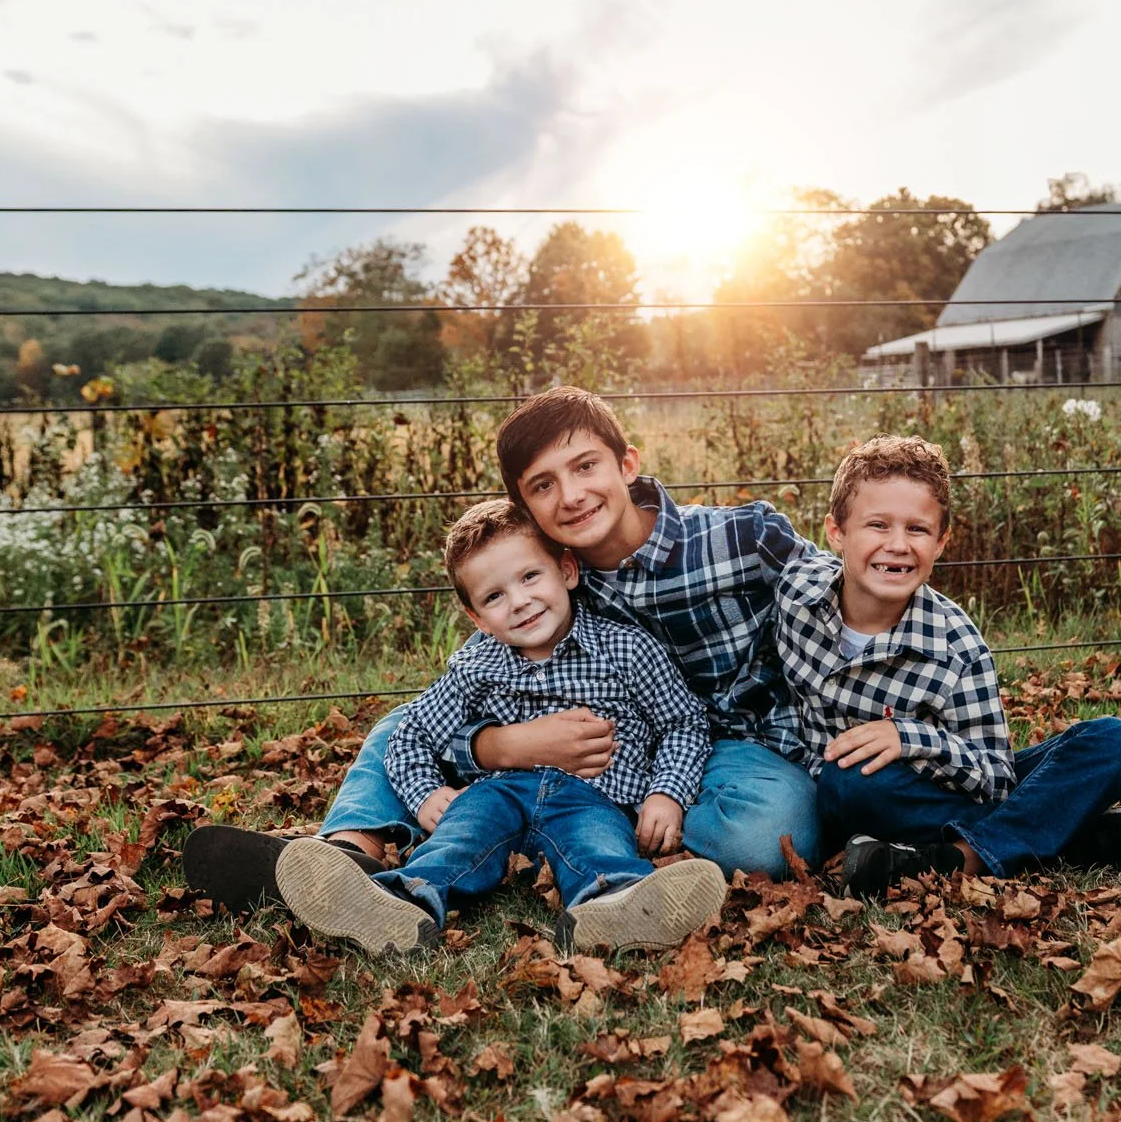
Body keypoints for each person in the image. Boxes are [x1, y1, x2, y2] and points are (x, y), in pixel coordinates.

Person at [184, 386, 821, 910]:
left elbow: (851, 597)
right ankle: (346, 857)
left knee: (768, 834)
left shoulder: (741, 536)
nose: (570, 496)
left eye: (586, 467)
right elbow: (476, 690)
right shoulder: (543, 574)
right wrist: (502, 745)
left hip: (726, 751)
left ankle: (600, 850)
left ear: (627, 464)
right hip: (571, 756)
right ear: (525, 508)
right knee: (406, 722)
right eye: (542, 486)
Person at [273, 499, 727, 955]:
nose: (520, 602)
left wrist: (666, 792)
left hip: (594, 796)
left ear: (567, 571)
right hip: (499, 792)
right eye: (494, 596)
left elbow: (682, 722)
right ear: (477, 618)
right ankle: (402, 904)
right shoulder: (476, 666)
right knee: (458, 840)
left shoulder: (626, 650)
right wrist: (425, 793)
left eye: (531, 577)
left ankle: (616, 904)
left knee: (597, 846)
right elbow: (411, 733)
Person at [774, 435, 1121, 896]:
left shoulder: (956, 646)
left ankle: (957, 859)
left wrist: (911, 737)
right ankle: (1068, 835)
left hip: (942, 785)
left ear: (941, 542)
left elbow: (996, 778)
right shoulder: (796, 593)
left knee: (1114, 742)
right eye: (877, 525)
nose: (897, 545)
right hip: (863, 794)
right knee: (848, 780)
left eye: (917, 530)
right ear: (837, 533)